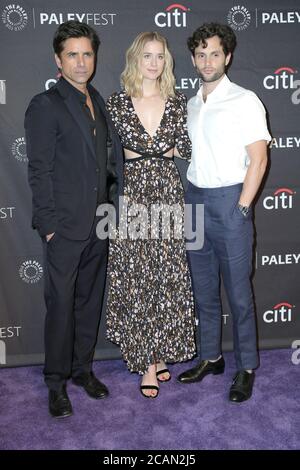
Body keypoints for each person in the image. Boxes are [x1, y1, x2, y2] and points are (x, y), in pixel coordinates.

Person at [25, 20, 123, 418]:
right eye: (72, 55)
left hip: (99, 224)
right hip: (63, 228)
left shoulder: (98, 101)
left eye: (87, 54)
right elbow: (39, 170)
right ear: (58, 59)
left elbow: (107, 164)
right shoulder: (45, 105)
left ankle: (83, 370)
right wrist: (48, 225)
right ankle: (55, 382)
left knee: (88, 303)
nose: (81, 63)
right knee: (61, 305)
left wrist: (112, 209)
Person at [178, 23, 271, 402]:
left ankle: (246, 366)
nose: (207, 61)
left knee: (237, 292)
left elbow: (259, 159)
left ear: (227, 56)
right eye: (200, 54)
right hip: (194, 199)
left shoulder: (245, 100)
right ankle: (210, 357)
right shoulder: (192, 102)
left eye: (214, 53)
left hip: (230, 201)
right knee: (203, 290)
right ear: (193, 59)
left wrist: (242, 208)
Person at [106, 31, 196, 398]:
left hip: (167, 192)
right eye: (147, 55)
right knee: (137, 277)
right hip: (132, 196)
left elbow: (186, 148)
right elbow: (108, 153)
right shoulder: (117, 102)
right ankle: (145, 362)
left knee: (164, 275)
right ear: (135, 59)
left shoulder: (176, 102)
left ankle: (157, 355)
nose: (154, 62)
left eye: (160, 56)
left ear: (167, 62)